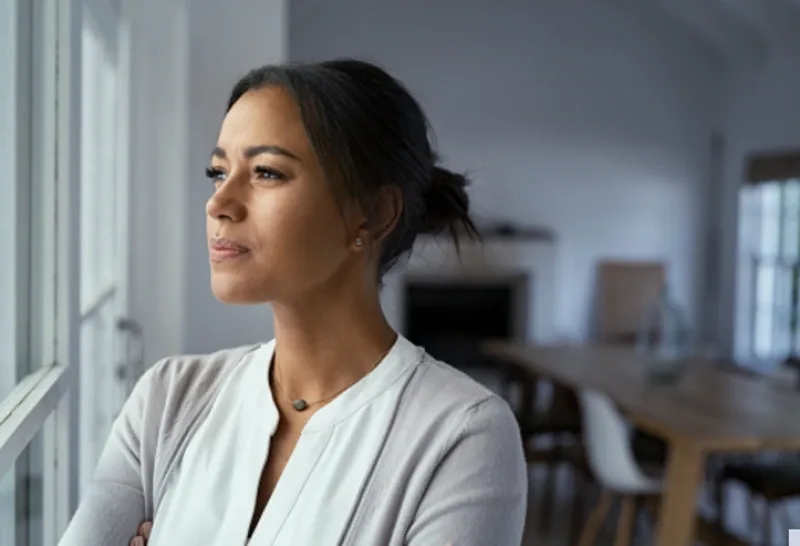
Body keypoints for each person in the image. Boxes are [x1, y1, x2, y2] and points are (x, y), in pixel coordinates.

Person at [59, 59, 528, 546]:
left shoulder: (463, 437)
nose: (218, 203)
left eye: (266, 172)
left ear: (372, 214)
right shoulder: (167, 400)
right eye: (218, 172)